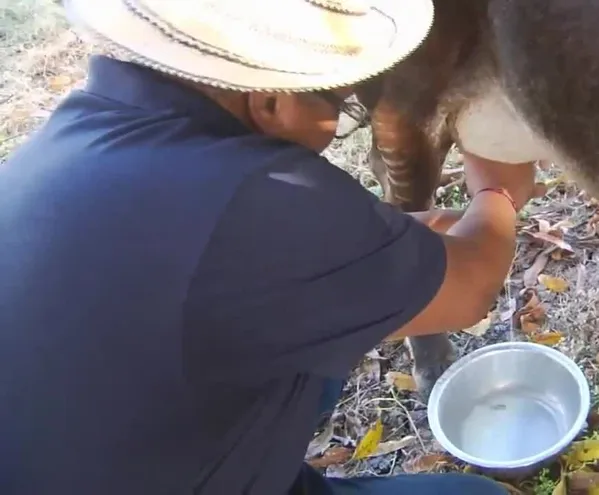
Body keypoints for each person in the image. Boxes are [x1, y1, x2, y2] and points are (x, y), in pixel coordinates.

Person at [0, 0, 544, 494]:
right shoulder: (257, 196)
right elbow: (472, 289)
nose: (339, 122)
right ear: (270, 101)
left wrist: (388, 250)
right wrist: (495, 192)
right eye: (341, 104)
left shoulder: (79, 135)